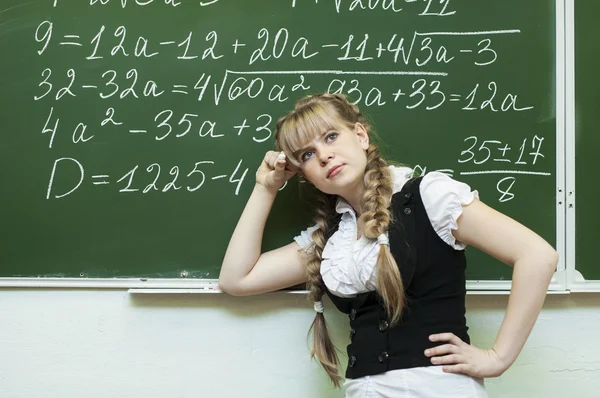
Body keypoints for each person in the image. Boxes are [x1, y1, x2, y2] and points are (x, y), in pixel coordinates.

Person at [218, 93, 558, 397]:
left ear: (361, 136)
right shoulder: (331, 238)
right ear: (305, 174)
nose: (324, 155)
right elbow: (237, 278)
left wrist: (497, 357)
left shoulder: (428, 197)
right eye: (308, 153)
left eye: (331, 136)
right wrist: (266, 188)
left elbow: (537, 255)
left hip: (438, 389)